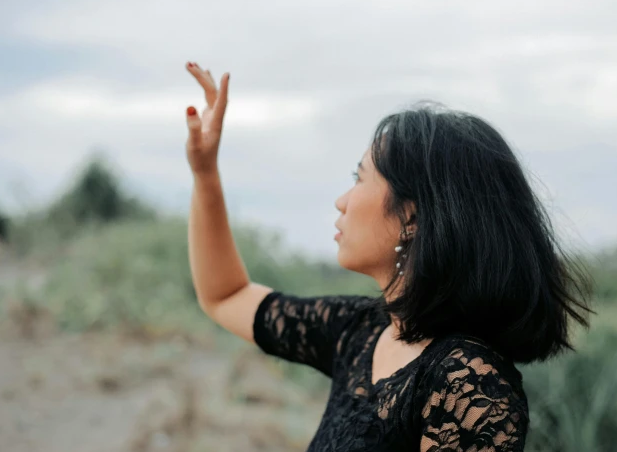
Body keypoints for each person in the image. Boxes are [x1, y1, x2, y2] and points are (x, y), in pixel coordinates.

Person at [183, 61, 593, 451]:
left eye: (358, 177)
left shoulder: (466, 384)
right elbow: (225, 295)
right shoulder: (360, 333)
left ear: (410, 215)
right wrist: (205, 174)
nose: (342, 201)